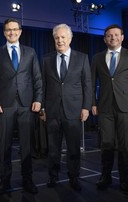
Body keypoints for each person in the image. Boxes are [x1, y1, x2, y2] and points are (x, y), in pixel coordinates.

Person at [0, 18, 42, 194]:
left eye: (14, 29)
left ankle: (28, 180)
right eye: (8, 30)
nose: (12, 32)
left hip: (27, 105)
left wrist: (38, 99)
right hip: (5, 106)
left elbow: (37, 78)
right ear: (4, 32)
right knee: (5, 146)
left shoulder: (31, 52)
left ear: (20, 31)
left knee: (27, 145)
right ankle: (5, 181)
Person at [91, 24, 128, 191]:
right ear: (104, 39)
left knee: (124, 145)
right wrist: (92, 103)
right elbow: (91, 84)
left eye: (116, 35)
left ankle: (124, 179)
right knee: (106, 144)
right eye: (109, 35)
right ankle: (105, 177)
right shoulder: (97, 57)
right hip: (105, 107)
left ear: (122, 37)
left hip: (126, 106)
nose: (112, 37)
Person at [41, 24, 92, 191]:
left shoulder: (82, 58)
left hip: (74, 111)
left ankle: (74, 177)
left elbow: (87, 85)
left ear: (70, 39)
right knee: (53, 149)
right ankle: (53, 176)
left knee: (73, 148)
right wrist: (42, 108)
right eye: (57, 38)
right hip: (52, 111)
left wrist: (86, 107)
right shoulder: (46, 59)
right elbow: (42, 85)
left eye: (63, 37)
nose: (60, 40)